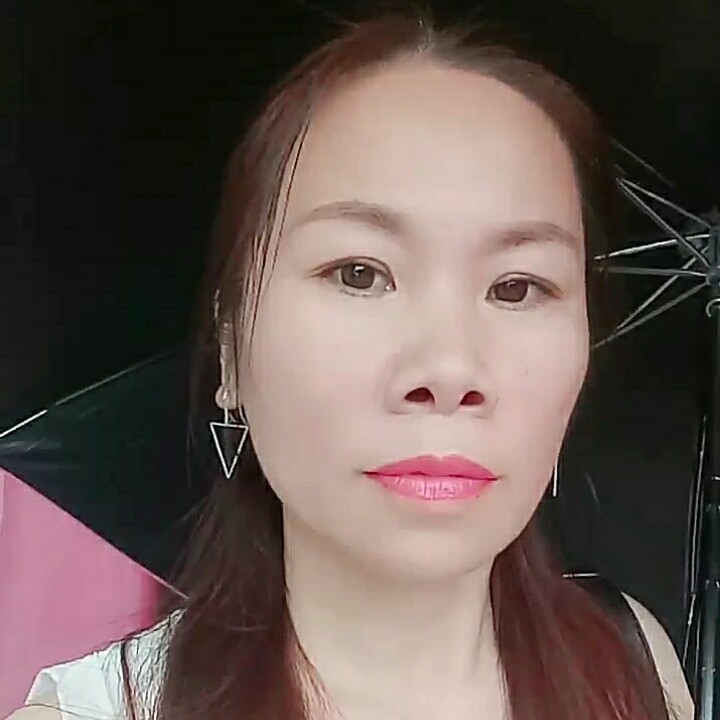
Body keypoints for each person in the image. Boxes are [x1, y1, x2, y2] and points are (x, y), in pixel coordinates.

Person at [8, 10, 694, 720]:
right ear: (231, 346)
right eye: (359, 274)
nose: (449, 369)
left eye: (517, 287)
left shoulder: (632, 667)